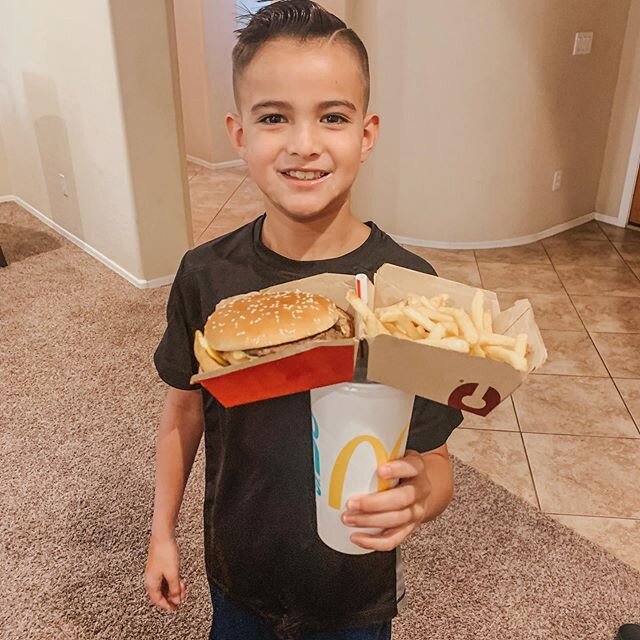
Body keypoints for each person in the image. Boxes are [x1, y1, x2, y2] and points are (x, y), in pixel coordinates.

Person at [145, 1, 463, 638]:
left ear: (367, 134)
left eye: (333, 117)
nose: (303, 144)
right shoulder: (205, 276)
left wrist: (422, 495)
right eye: (273, 117)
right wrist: (161, 534)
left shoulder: (410, 294)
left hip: (353, 587)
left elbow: (434, 456)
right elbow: (183, 413)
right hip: (240, 573)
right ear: (239, 133)